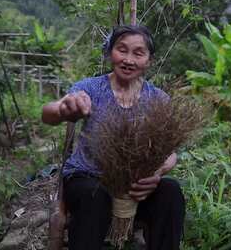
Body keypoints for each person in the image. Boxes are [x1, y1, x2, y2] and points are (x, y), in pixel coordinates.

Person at [41, 25, 185, 250]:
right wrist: (64, 109)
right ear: (110, 53)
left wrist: (155, 174)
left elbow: (170, 153)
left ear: (149, 60)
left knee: (170, 191)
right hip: (89, 178)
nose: (128, 59)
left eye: (138, 53)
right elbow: (49, 113)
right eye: (122, 50)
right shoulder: (90, 89)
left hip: (135, 189)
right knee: (93, 196)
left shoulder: (158, 99)